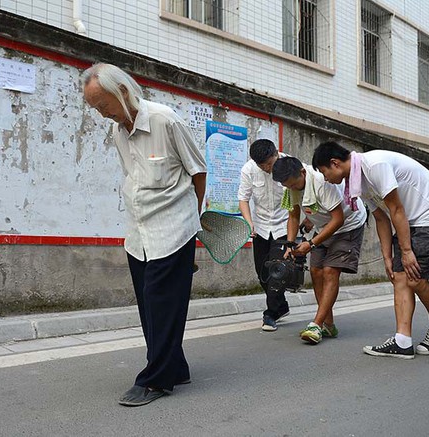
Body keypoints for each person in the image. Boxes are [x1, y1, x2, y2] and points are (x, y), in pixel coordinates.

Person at [82, 63, 207, 405]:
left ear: (122, 90)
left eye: (102, 103)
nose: (101, 112)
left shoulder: (166, 120)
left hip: (173, 227)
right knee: (149, 306)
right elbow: (132, 177)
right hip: (138, 232)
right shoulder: (118, 132)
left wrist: (191, 224)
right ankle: (175, 367)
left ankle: (155, 380)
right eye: (94, 107)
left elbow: (198, 171)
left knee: (163, 303)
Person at [312, 141, 429, 359]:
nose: (325, 178)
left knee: (414, 278)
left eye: (323, 172)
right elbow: (381, 218)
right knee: (400, 276)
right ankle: (402, 341)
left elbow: (396, 208)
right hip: (410, 221)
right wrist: (387, 256)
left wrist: (406, 251)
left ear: (335, 163)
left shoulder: (375, 165)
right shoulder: (358, 182)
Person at [272, 156, 366, 344]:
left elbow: (338, 219)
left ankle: (316, 324)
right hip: (322, 227)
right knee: (316, 271)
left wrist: (311, 244)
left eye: (293, 184)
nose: (291, 188)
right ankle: (328, 325)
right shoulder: (290, 187)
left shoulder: (322, 182)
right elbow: (293, 216)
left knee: (330, 271)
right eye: (287, 185)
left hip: (348, 225)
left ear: (302, 173)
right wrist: (290, 245)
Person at [238, 139, 292, 331]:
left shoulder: (289, 164)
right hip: (260, 227)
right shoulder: (249, 170)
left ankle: (270, 314)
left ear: (276, 153)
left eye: (270, 163)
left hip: (284, 225)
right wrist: (249, 223)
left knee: (277, 270)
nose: (268, 168)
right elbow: (243, 199)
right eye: (264, 166)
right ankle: (281, 305)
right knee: (262, 273)